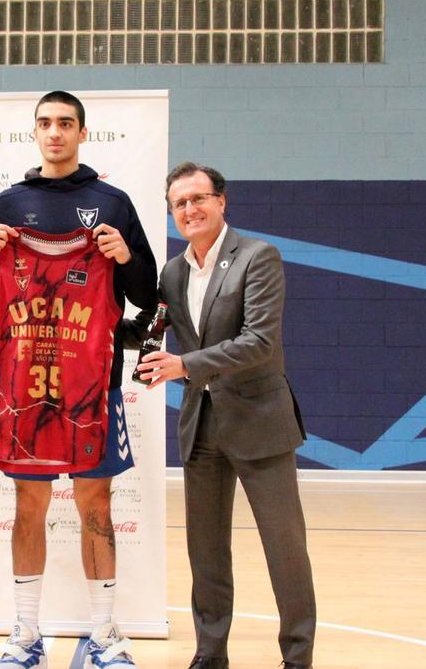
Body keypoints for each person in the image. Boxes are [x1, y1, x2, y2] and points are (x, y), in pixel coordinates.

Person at [0, 90, 158, 669]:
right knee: (29, 504)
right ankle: (24, 634)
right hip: (24, 386)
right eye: (46, 123)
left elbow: (148, 296)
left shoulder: (114, 203)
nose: (56, 132)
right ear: (36, 132)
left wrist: (125, 256)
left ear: (82, 133)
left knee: (95, 503)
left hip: (91, 385)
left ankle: (105, 634)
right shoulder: (7, 202)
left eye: (66, 124)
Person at [134, 162, 317, 669]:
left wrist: (183, 365)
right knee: (207, 554)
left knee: (285, 549)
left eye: (199, 199)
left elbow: (258, 342)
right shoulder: (172, 272)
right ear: (172, 213)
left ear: (221, 201)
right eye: (180, 204)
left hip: (260, 422)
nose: (190, 210)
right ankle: (210, 655)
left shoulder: (258, 257)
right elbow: (149, 329)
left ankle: (297, 657)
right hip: (202, 427)